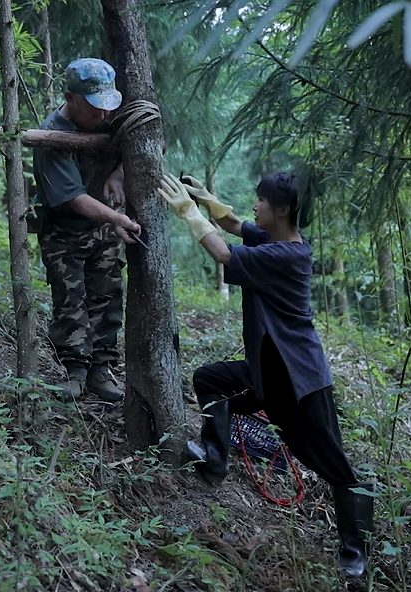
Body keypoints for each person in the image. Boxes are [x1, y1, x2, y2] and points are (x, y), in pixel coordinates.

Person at [157, 172, 374, 579]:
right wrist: (206, 199)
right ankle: (216, 459)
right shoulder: (274, 240)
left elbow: (224, 252)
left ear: (283, 210)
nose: (255, 206)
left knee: (337, 469)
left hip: (300, 382)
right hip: (264, 376)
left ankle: (355, 555)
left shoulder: (290, 256)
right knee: (210, 380)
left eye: (261, 201)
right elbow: (237, 226)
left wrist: (186, 211)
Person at [32, 58, 142, 402]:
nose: (103, 116)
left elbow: (146, 139)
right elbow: (75, 199)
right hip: (63, 231)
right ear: (71, 97)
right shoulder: (53, 134)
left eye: (107, 108)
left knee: (107, 298)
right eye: (95, 109)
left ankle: (101, 371)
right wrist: (117, 218)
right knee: (70, 301)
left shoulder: (110, 118)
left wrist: (118, 174)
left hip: (103, 230)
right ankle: (74, 371)